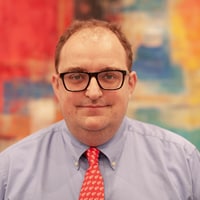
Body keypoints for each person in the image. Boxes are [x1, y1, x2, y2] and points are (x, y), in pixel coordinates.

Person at [0, 19, 200, 200]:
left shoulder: (183, 162)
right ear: (57, 86)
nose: (93, 92)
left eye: (109, 76)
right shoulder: (10, 171)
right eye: (76, 77)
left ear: (130, 84)